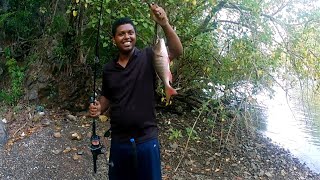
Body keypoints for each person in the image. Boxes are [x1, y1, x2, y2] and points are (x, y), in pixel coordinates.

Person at [89, 3, 183, 180]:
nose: (127, 37)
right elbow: (106, 97)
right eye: (121, 34)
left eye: (130, 33)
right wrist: (98, 109)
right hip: (119, 141)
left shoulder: (149, 56)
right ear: (114, 39)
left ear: (135, 36)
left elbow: (177, 50)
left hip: (147, 140)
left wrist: (164, 23)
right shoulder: (109, 69)